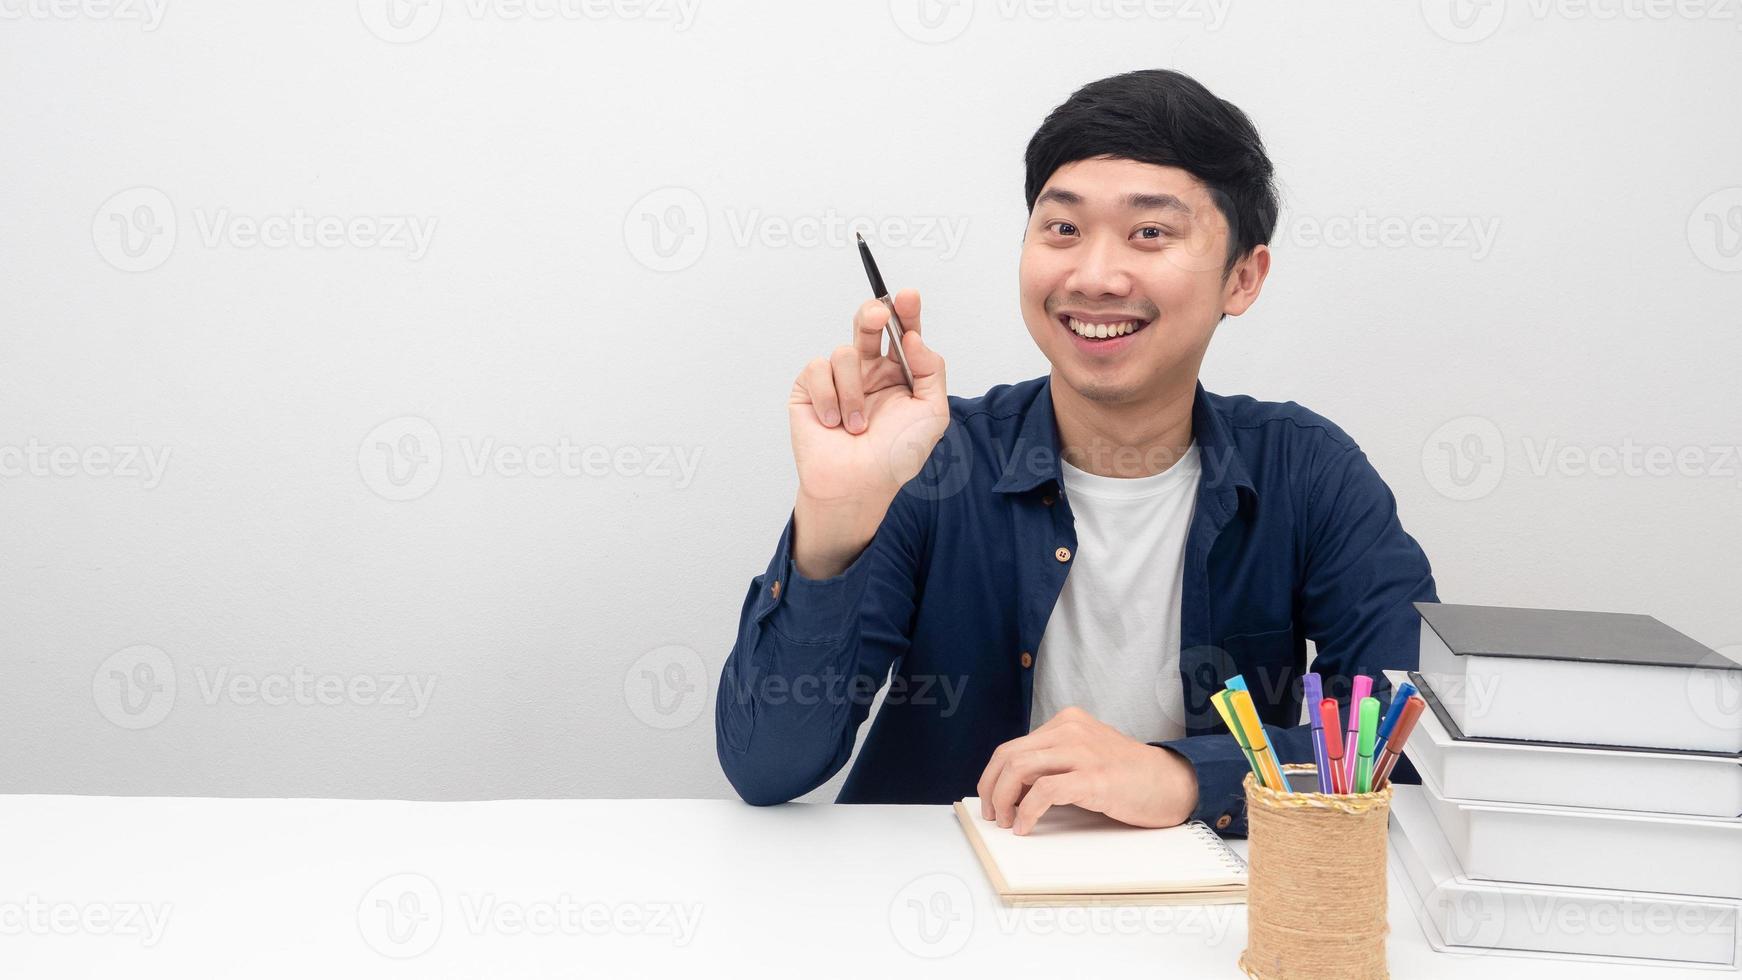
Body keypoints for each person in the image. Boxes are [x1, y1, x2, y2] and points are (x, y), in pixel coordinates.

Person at [714, 69, 1436, 837]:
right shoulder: (933, 461)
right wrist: (833, 523)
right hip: (931, 906)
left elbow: (1408, 747)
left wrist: (1186, 776)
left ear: (1244, 277)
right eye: (1062, 229)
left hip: (1199, 924)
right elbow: (768, 767)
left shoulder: (1309, 472)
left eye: (1150, 233)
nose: (1094, 276)